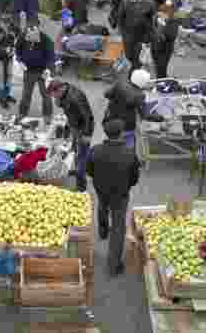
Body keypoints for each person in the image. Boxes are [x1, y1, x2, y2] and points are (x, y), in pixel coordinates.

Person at [86, 118, 141, 277]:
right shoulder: (130, 154)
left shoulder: (95, 150)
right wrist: (127, 186)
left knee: (102, 206)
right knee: (118, 226)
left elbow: (89, 170)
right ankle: (113, 265)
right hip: (120, 194)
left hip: (101, 189)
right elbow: (134, 178)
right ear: (122, 133)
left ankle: (102, 230)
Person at [46, 80, 95, 192]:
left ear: (60, 89)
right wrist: (60, 102)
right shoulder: (65, 93)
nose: (54, 97)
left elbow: (87, 117)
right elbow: (68, 108)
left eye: (54, 95)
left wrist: (86, 134)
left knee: (82, 155)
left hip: (83, 128)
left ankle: (81, 185)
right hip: (76, 125)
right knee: (76, 150)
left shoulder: (75, 98)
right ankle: (77, 170)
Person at [103, 68, 149, 151]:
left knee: (112, 143)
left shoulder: (119, 84)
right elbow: (145, 115)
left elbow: (106, 94)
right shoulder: (140, 95)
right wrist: (161, 118)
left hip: (110, 120)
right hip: (127, 125)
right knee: (128, 147)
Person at [16, 24, 55, 119]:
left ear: (37, 33)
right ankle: (22, 113)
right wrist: (20, 61)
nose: (29, 40)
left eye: (31, 38)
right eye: (28, 37)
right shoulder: (23, 37)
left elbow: (51, 57)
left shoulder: (47, 40)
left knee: (46, 94)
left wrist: (48, 69)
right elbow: (18, 50)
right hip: (28, 70)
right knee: (26, 94)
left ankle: (47, 115)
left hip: (43, 71)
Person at [117, 0, 157, 70]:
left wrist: (151, 35)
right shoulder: (125, 2)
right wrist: (121, 31)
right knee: (129, 54)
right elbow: (120, 17)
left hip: (142, 35)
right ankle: (134, 68)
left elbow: (153, 20)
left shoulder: (150, 3)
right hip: (128, 33)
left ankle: (135, 73)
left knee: (138, 56)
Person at [150, 4, 180, 79]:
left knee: (162, 68)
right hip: (155, 48)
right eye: (160, 12)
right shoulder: (155, 19)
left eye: (163, 13)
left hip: (165, 49)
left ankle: (162, 83)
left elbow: (172, 36)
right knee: (157, 68)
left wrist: (163, 28)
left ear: (169, 13)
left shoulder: (173, 22)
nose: (161, 14)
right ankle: (160, 81)